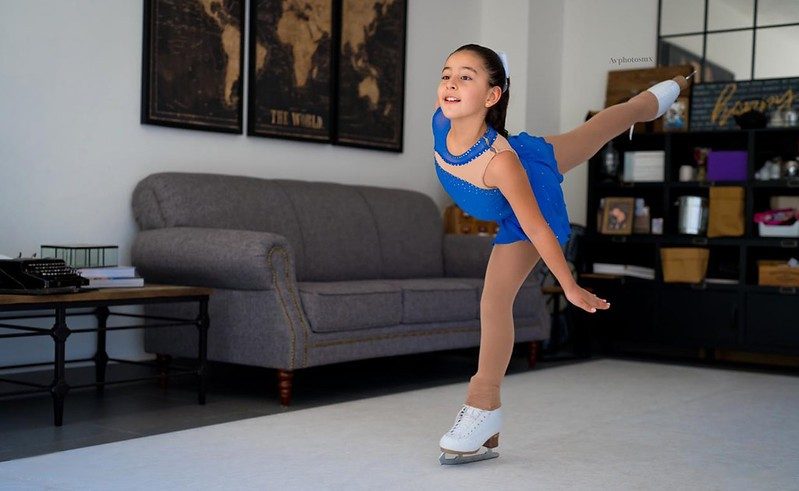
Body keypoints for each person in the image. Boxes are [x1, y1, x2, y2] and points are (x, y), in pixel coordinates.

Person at [434, 43, 690, 465]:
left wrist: (568, 284)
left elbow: (536, 227)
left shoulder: (502, 164)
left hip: (527, 199)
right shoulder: (440, 121)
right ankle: (648, 100)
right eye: (447, 74)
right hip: (528, 161)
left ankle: (482, 408)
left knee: (494, 300)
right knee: (587, 135)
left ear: (492, 96)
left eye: (466, 77)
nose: (451, 83)